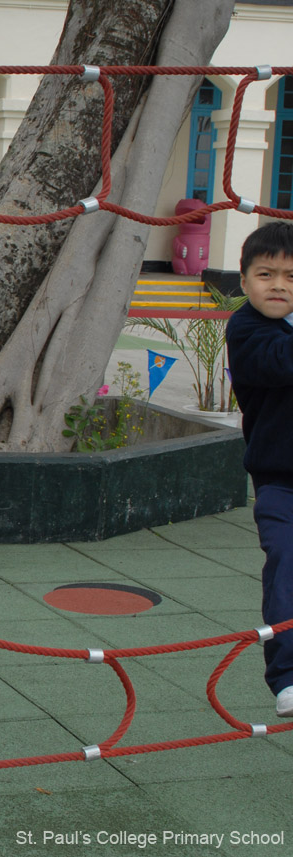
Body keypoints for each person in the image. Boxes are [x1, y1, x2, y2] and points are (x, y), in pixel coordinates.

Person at [225, 220, 293, 719]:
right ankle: (289, 677)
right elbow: (276, 364)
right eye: (266, 274)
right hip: (280, 483)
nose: (279, 285)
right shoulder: (247, 329)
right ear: (245, 281)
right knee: (287, 569)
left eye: (292, 277)